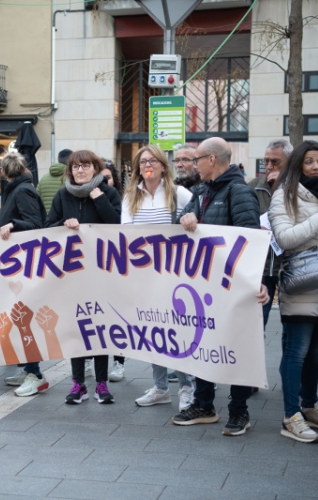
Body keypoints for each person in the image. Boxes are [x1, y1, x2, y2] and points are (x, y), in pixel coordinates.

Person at [172, 137, 270, 436]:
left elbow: (251, 240)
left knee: (236, 346)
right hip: (204, 285)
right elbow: (180, 220)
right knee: (203, 344)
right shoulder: (201, 191)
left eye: (196, 159)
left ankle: (239, 410)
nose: (193, 165)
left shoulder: (239, 192)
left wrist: (257, 282)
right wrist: (184, 218)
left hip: (232, 286)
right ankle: (204, 404)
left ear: (211, 160)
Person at [269, 140, 318, 443]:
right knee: (296, 353)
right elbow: (285, 238)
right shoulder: (284, 196)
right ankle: (291, 415)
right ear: (298, 164)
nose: (315, 167)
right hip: (301, 287)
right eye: (309, 161)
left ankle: (310, 406)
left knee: (314, 354)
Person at [118, 145, 196, 410]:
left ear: (163, 166)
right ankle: (161, 387)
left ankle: (187, 386)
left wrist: (190, 220)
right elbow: (126, 235)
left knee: (178, 332)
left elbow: (198, 221)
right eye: (142, 162)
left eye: (152, 161)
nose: (147, 165)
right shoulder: (131, 197)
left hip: (175, 275)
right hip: (145, 277)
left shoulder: (179, 193)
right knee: (154, 331)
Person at [46, 149, 122, 404]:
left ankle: (101, 383)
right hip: (72, 274)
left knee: (99, 328)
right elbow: (47, 228)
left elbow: (117, 225)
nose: (80, 170)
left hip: (101, 273)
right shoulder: (62, 195)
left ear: (96, 169)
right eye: (76, 167)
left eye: (85, 166)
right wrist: (63, 224)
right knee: (76, 328)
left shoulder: (108, 193)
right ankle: (78, 384)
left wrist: (98, 197)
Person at [0, 152, 49, 397]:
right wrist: (0, 220)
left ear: (4, 172)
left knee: (23, 318)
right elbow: (21, 219)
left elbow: (34, 224)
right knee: (17, 318)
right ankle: (28, 369)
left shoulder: (22, 191)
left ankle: (36, 374)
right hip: (18, 263)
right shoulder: (20, 188)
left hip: (23, 265)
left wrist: (11, 224)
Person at [249, 139, 293, 328]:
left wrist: (281, 188)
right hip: (261, 267)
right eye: (266, 161)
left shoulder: (297, 189)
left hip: (289, 266)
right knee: (257, 325)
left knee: (291, 330)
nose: (269, 166)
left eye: (275, 162)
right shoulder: (253, 187)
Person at [98, 159, 127, 382]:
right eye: (101, 177)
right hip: (94, 266)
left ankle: (118, 360)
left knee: (118, 313)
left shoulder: (119, 199)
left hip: (116, 265)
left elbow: (116, 222)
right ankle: (92, 357)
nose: (104, 181)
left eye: (107, 177)